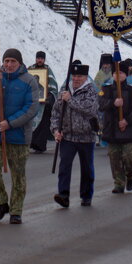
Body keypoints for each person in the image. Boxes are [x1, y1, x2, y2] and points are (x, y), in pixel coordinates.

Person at [0, 48, 37, 225]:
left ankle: (16, 210)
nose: (9, 65)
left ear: (20, 63)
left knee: (18, 175)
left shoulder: (29, 81)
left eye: (13, 61)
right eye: (6, 61)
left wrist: (10, 123)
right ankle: (1, 203)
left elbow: (31, 108)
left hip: (18, 136)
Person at [52, 61, 100, 207]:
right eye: (74, 76)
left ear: (86, 77)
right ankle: (63, 195)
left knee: (87, 168)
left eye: (80, 76)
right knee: (64, 167)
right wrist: (55, 130)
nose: (77, 79)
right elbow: (55, 113)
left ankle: (86, 195)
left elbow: (90, 110)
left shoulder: (91, 91)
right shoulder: (64, 91)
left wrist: (70, 100)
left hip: (86, 136)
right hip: (68, 136)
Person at [99, 65, 132, 193]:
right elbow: (100, 103)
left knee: (129, 157)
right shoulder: (106, 88)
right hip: (112, 129)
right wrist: (112, 103)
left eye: (121, 73)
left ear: (126, 74)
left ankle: (130, 175)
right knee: (115, 158)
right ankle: (119, 182)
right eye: (116, 73)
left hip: (128, 129)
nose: (118, 75)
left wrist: (127, 121)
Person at [28, 50, 59, 154]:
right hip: (32, 104)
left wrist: (50, 96)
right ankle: (31, 143)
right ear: (36, 59)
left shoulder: (47, 70)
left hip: (44, 104)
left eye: (41, 58)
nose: (39, 60)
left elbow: (53, 86)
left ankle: (40, 146)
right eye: (38, 58)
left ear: (44, 59)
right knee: (30, 124)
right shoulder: (30, 69)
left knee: (42, 124)